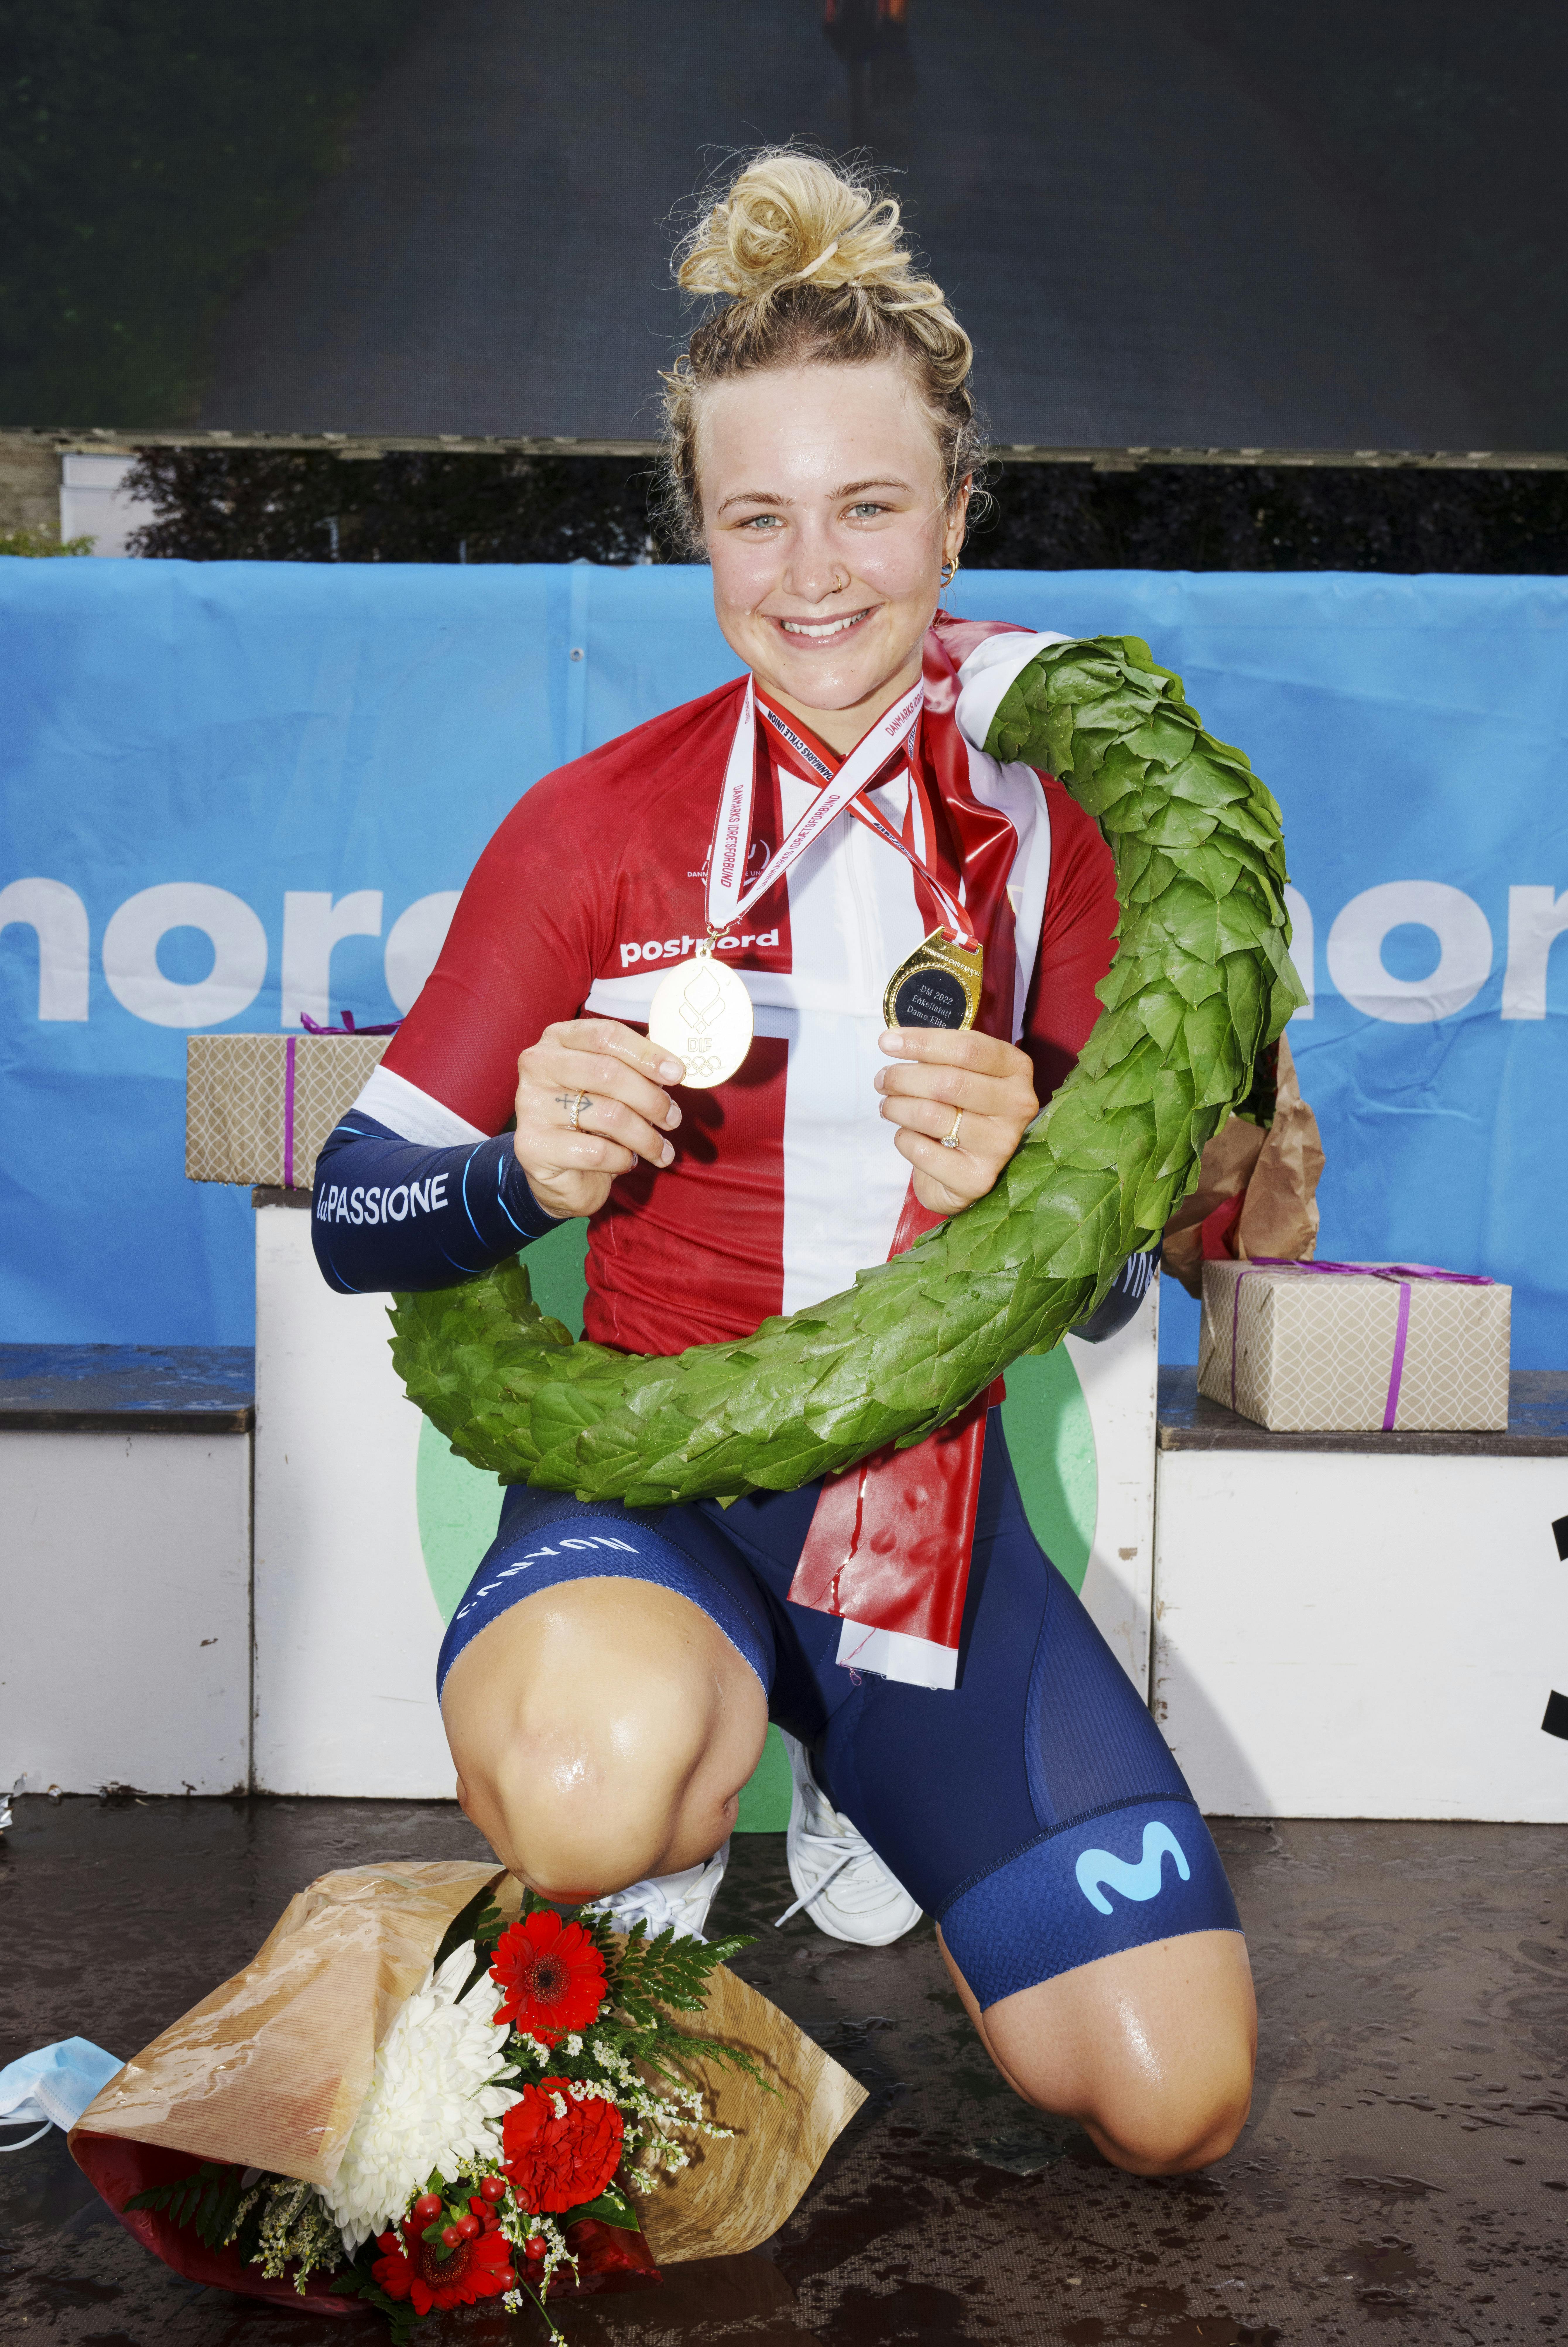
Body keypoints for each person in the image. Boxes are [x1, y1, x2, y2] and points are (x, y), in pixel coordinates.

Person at [311, 152, 1256, 2178]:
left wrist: (1053, 1167)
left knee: (1174, 2104)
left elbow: (1168, 1247)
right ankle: (666, 1799)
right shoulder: (595, 823)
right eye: (758, 518)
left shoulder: (1055, 822)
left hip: (930, 1535)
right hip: (650, 1495)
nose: (815, 571)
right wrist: (521, 1179)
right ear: (701, 537)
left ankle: (855, 1760)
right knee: (591, 1784)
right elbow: (354, 1210)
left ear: (956, 514)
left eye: (868, 506)